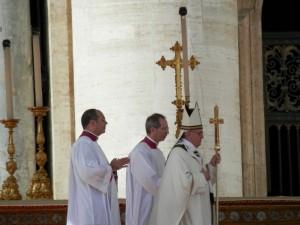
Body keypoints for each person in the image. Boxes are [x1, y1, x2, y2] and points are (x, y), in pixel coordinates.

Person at [149, 102, 221, 225]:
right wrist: (203, 177)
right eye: (199, 133)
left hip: (199, 209)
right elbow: (181, 184)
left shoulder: (193, 153)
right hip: (188, 214)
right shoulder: (178, 154)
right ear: (188, 133)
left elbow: (205, 180)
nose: (202, 136)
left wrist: (211, 166)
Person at [67, 108, 129, 225]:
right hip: (91, 205)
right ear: (92, 123)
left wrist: (112, 169)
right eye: (103, 120)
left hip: (96, 202)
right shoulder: (83, 145)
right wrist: (111, 167)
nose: (106, 123)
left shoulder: (91, 144)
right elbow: (87, 172)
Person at [126, 113, 169, 225]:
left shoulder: (157, 152)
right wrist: (173, 187)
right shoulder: (140, 152)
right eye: (164, 129)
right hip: (144, 206)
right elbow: (151, 182)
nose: (167, 132)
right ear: (152, 130)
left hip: (157, 204)